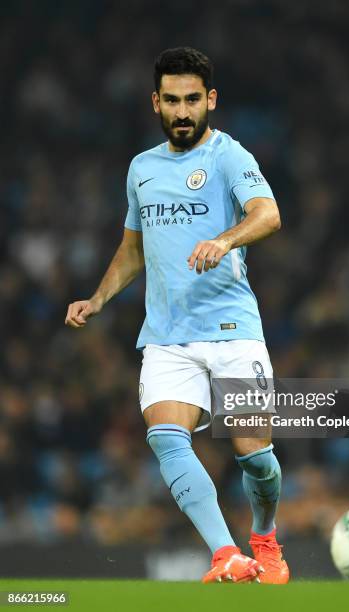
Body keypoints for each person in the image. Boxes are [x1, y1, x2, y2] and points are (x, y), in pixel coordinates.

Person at [65, 46, 288, 584]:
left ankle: (264, 536)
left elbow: (269, 214)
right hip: (166, 338)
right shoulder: (142, 169)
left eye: (193, 99)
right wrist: (98, 299)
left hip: (233, 330)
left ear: (210, 100)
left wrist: (225, 239)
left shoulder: (229, 156)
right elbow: (133, 250)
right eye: (172, 101)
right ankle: (225, 554)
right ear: (155, 104)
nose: (183, 111)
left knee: (255, 457)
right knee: (166, 438)